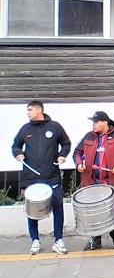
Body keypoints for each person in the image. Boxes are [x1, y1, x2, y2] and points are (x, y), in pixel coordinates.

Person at [11, 101, 71, 255]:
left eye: (30, 110)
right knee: (32, 210)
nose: (28, 113)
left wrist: (62, 156)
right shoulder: (25, 129)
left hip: (51, 175)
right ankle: (35, 240)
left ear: (39, 110)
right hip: (31, 177)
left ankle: (58, 240)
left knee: (58, 207)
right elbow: (15, 145)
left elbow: (66, 143)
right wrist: (18, 153)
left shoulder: (54, 127)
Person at [74, 111, 114, 251]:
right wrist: (79, 165)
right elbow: (77, 152)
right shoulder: (89, 137)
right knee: (93, 213)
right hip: (92, 183)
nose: (93, 125)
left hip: (111, 182)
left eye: (96, 122)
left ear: (105, 123)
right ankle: (95, 240)